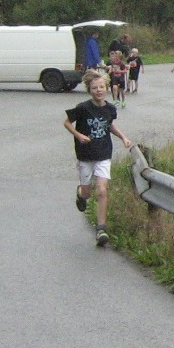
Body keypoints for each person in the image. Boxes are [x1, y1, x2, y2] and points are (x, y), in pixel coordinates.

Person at [64, 70, 133, 247]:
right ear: (89, 90)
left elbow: (109, 125)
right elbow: (67, 122)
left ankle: (101, 229)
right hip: (85, 154)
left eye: (101, 87)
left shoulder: (110, 109)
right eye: (94, 88)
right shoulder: (83, 108)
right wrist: (78, 135)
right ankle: (80, 194)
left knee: (102, 190)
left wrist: (124, 137)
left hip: (103, 153)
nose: (98, 90)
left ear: (107, 88)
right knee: (87, 193)